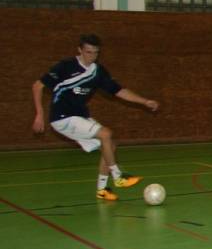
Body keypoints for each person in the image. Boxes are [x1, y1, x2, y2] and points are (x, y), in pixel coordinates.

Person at [32, 34, 159, 201]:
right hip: (62, 117)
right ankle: (118, 176)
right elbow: (37, 86)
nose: (91, 56)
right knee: (105, 133)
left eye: (95, 53)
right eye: (88, 52)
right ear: (79, 50)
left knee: (110, 146)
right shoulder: (65, 66)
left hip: (79, 116)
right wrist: (39, 114)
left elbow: (119, 91)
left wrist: (145, 101)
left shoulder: (98, 72)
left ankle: (102, 189)